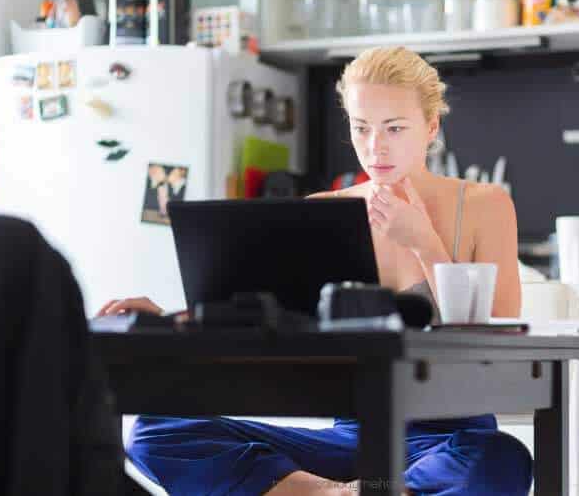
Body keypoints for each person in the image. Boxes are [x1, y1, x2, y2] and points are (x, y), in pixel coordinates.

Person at [99, 46, 529, 496]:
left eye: (394, 128)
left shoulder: (484, 206)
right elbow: (264, 315)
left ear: (431, 126)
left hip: (451, 439)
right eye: (361, 128)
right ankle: (331, 493)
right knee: (157, 430)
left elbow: (498, 345)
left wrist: (423, 241)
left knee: (502, 457)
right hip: (352, 438)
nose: (375, 146)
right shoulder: (324, 212)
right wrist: (167, 321)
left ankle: (374, 489)